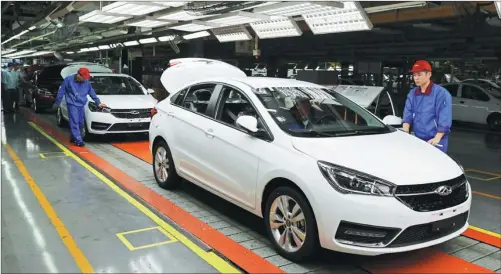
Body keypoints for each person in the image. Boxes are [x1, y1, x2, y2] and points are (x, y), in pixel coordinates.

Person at [402, 60, 452, 153]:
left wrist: (436, 139)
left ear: (429, 74)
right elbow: (407, 114)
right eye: (414, 75)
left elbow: (445, 119)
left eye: (419, 75)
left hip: (436, 140)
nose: (416, 78)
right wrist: (405, 133)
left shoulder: (441, 94)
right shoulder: (412, 94)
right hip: (418, 139)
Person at [54, 67, 106, 147]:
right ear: (78, 75)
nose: (85, 79)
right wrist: (57, 103)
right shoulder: (68, 80)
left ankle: (73, 137)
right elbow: (61, 91)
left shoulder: (86, 82)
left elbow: (92, 92)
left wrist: (98, 103)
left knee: (81, 123)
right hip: (72, 104)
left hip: (81, 104)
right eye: (84, 77)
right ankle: (78, 140)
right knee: (74, 121)